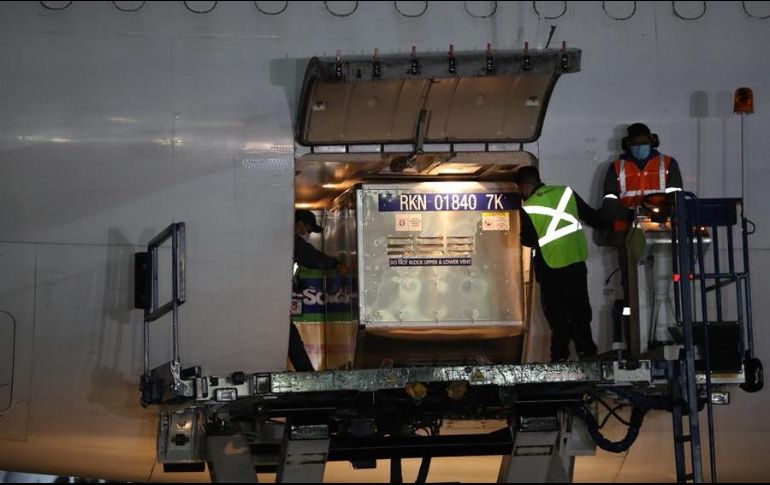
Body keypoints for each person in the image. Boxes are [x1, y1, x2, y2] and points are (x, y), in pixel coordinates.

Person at [601, 123, 683, 354]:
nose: (640, 147)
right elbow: (608, 200)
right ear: (628, 144)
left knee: (663, 284)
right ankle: (637, 343)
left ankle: (665, 337)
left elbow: (676, 198)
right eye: (636, 144)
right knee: (633, 290)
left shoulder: (667, 164)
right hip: (626, 235)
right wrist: (633, 214)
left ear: (652, 141)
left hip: (662, 235)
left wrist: (655, 213)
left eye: (644, 143)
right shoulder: (616, 167)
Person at [515, 166, 606, 362]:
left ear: (523, 187)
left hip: (551, 266)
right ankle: (587, 351)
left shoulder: (528, 206)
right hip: (575, 261)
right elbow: (593, 217)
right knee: (580, 308)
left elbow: (528, 240)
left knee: (557, 313)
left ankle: (560, 355)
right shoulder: (566, 192)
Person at [289, 209, 348, 371]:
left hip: (270, 300)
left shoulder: (284, 240)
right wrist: (336, 264)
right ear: (299, 223)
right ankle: (307, 375)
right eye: (308, 230)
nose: (307, 234)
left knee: (289, 337)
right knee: (290, 338)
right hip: (272, 302)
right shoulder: (290, 239)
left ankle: (306, 373)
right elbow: (311, 257)